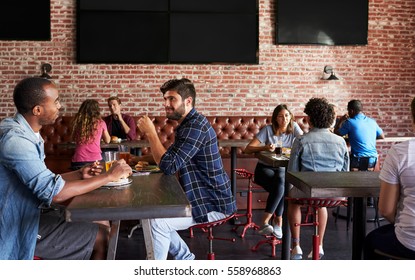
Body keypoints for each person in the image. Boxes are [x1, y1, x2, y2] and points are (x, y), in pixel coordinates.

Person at [0, 77, 132, 260]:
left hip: (36, 212)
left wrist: (78, 173)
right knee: (104, 238)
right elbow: (56, 194)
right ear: (37, 110)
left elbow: (43, 181)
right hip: (18, 224)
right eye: (55, 102)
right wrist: (109, 176)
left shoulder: (26, 132)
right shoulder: (16, 141)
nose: (60, 106)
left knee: (102, 222)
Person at [136, 78, 236, 260]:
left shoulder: (195, 127)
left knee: (157, 222)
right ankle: (186, 260)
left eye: (172, 99)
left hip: (212, 203)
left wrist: (151, 133)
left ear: (188, 101)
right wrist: (134, 160)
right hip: (196, 197)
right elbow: (170, 157)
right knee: (150, 215)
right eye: (165, 99)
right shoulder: (188, 125)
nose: (166, 104)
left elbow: (168, 166)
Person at [287, 97, 349, 260]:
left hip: (308, 192)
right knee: (321, 204)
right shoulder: (341, 141)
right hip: (334, 195)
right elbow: (345, 172)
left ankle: (296, 246)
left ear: (309, 119)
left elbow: (292, 173)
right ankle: (319, 245)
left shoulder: (300, 140)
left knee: (293, 201)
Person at [363, 97, 415, 260]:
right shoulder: (371, 122)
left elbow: (386, 210)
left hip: (409, 243)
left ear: (413, 120)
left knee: (371, 241)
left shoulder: (401, 152)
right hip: (371, 159)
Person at [244, 104, 303, 238]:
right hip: (265, 169)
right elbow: (248, 149)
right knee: (282, 185)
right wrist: (264, 147)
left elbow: (303, 142)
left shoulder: (294, 128)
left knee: (281, 182)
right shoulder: (268, 130)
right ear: (275, 118)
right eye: (280, 116)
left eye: (287, 115)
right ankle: (278, 221)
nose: (284, 119)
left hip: (282, 170)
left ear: (291, 117)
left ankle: (266, 222)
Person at [334, 99, 385, 171]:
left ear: (351, 111)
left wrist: (341, 120)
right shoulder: (372, 121)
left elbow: (336, 133)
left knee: (344, 164)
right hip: (372, 160)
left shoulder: (349, 122)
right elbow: (382, 136)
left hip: (357, 160)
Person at [71, 99, 111, 170]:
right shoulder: (101, 123)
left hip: (78, 161)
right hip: (95, 161)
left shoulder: (77, 122)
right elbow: (108, 140)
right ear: (97, 110)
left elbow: (73, 138)